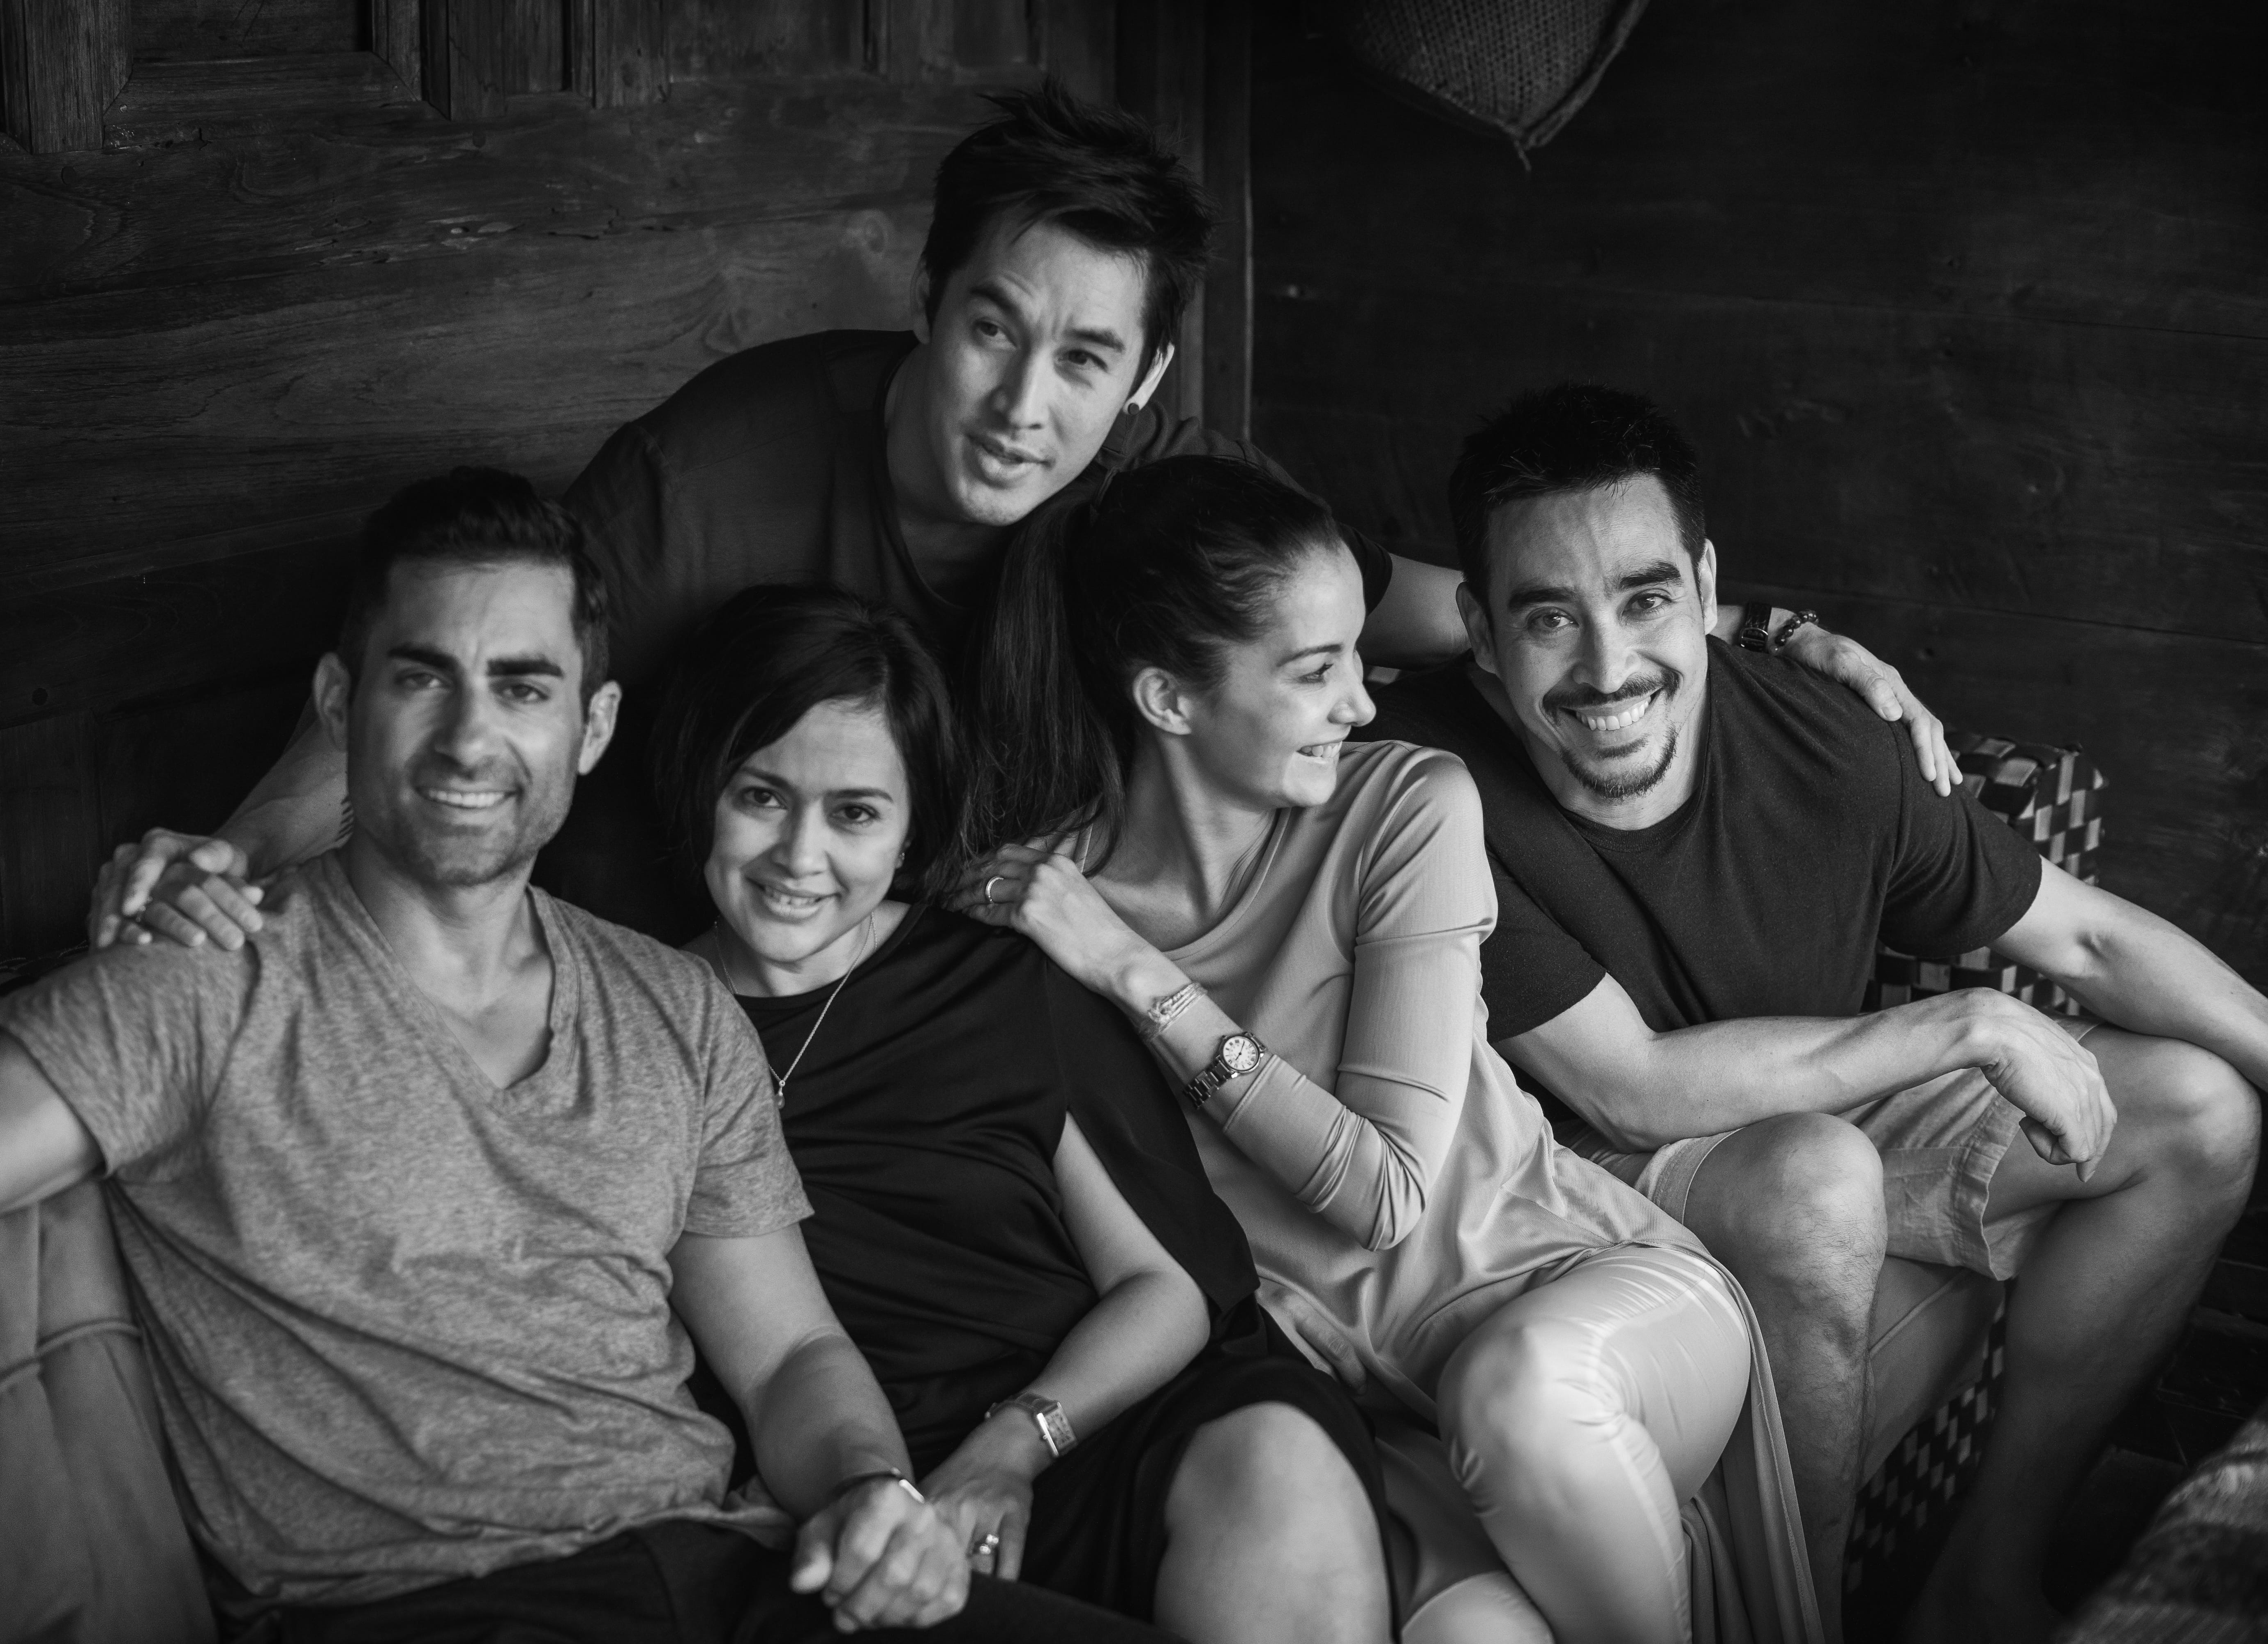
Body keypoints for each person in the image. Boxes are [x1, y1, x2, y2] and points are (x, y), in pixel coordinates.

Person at [87, 81, 1949, 951]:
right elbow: (469, 681)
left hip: (970, 967)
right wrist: (230, 855)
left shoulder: (1156, 480)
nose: (1021, 403)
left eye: (1083, 360)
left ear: (1143, 381)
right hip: (676, 958)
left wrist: (1754, 634)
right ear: (929, 301)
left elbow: (1449, 602)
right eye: (993, 328)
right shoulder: (715, 465)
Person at [0, 471, 1183, 1644]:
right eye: (425, 678)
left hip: (737, 1574)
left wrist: (875, 1496)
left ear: (591, 727)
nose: (472, 738)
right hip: (430, 1611)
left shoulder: (674, 1007)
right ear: (342, 703)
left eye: (523, 686)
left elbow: (789, 1362)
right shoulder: (204, 978)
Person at [1365, 383, 2266, 1644]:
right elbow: (1630, 1087)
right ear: (1477, 627)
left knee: (2203, 1115)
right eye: (1549, 618)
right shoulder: (1426, 787)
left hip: (1803, 1111)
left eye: (1645, 599)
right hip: (1579, 1181)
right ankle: (1810, 1618)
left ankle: (1981, 1576)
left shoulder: (1824, 737)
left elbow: (2088, 936)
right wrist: (1965, 1027)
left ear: (1705, 587)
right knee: (1812, 1180)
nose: (1609, 669)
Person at [955, 454, 1823, 1643]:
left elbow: (1385, 1194)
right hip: (1377, 1420)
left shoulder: (1404, 806)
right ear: (1168, 699)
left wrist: (1136, 976)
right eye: (1316, 672)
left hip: (1583, 1307)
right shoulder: (1037, 911)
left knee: (1521, 1402)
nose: (1362, 704)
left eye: (1356, 661)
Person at [645, 582, 1393, 1643]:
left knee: (1277, 1457)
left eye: (855, 813)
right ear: (702, 786)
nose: (801, 858)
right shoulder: (633, 1021)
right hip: (840, 1487)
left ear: (910, 830)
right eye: (762, 797)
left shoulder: (1002, 985)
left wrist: (1008, 1452)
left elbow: (1165, 1289)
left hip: (1085, 1430)